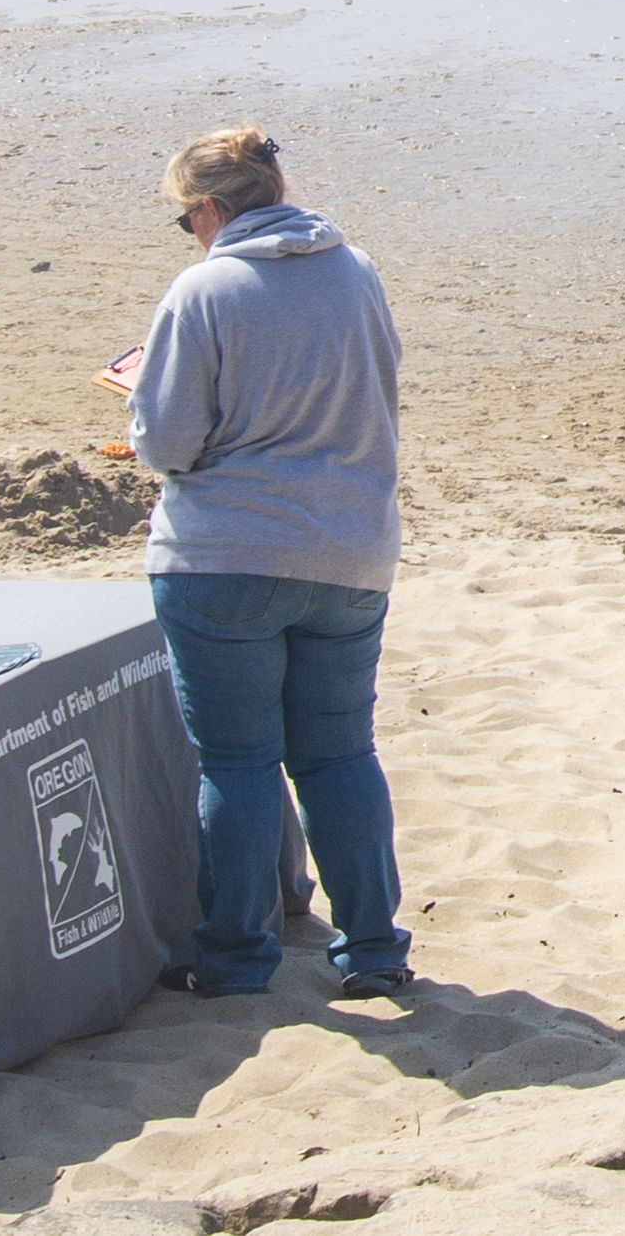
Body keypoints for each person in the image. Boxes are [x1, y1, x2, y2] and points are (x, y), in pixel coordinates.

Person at [128, 126, 410, 1002]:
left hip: (226, 554)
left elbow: (166, 443)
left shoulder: (204, 289)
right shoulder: (354, 270)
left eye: (186, 219)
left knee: (238, 761)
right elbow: (380, 389)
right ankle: (373, 947)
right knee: (339, 754)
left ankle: (233, 958)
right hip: (349, 546)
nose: (189, 234)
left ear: (210, 209)